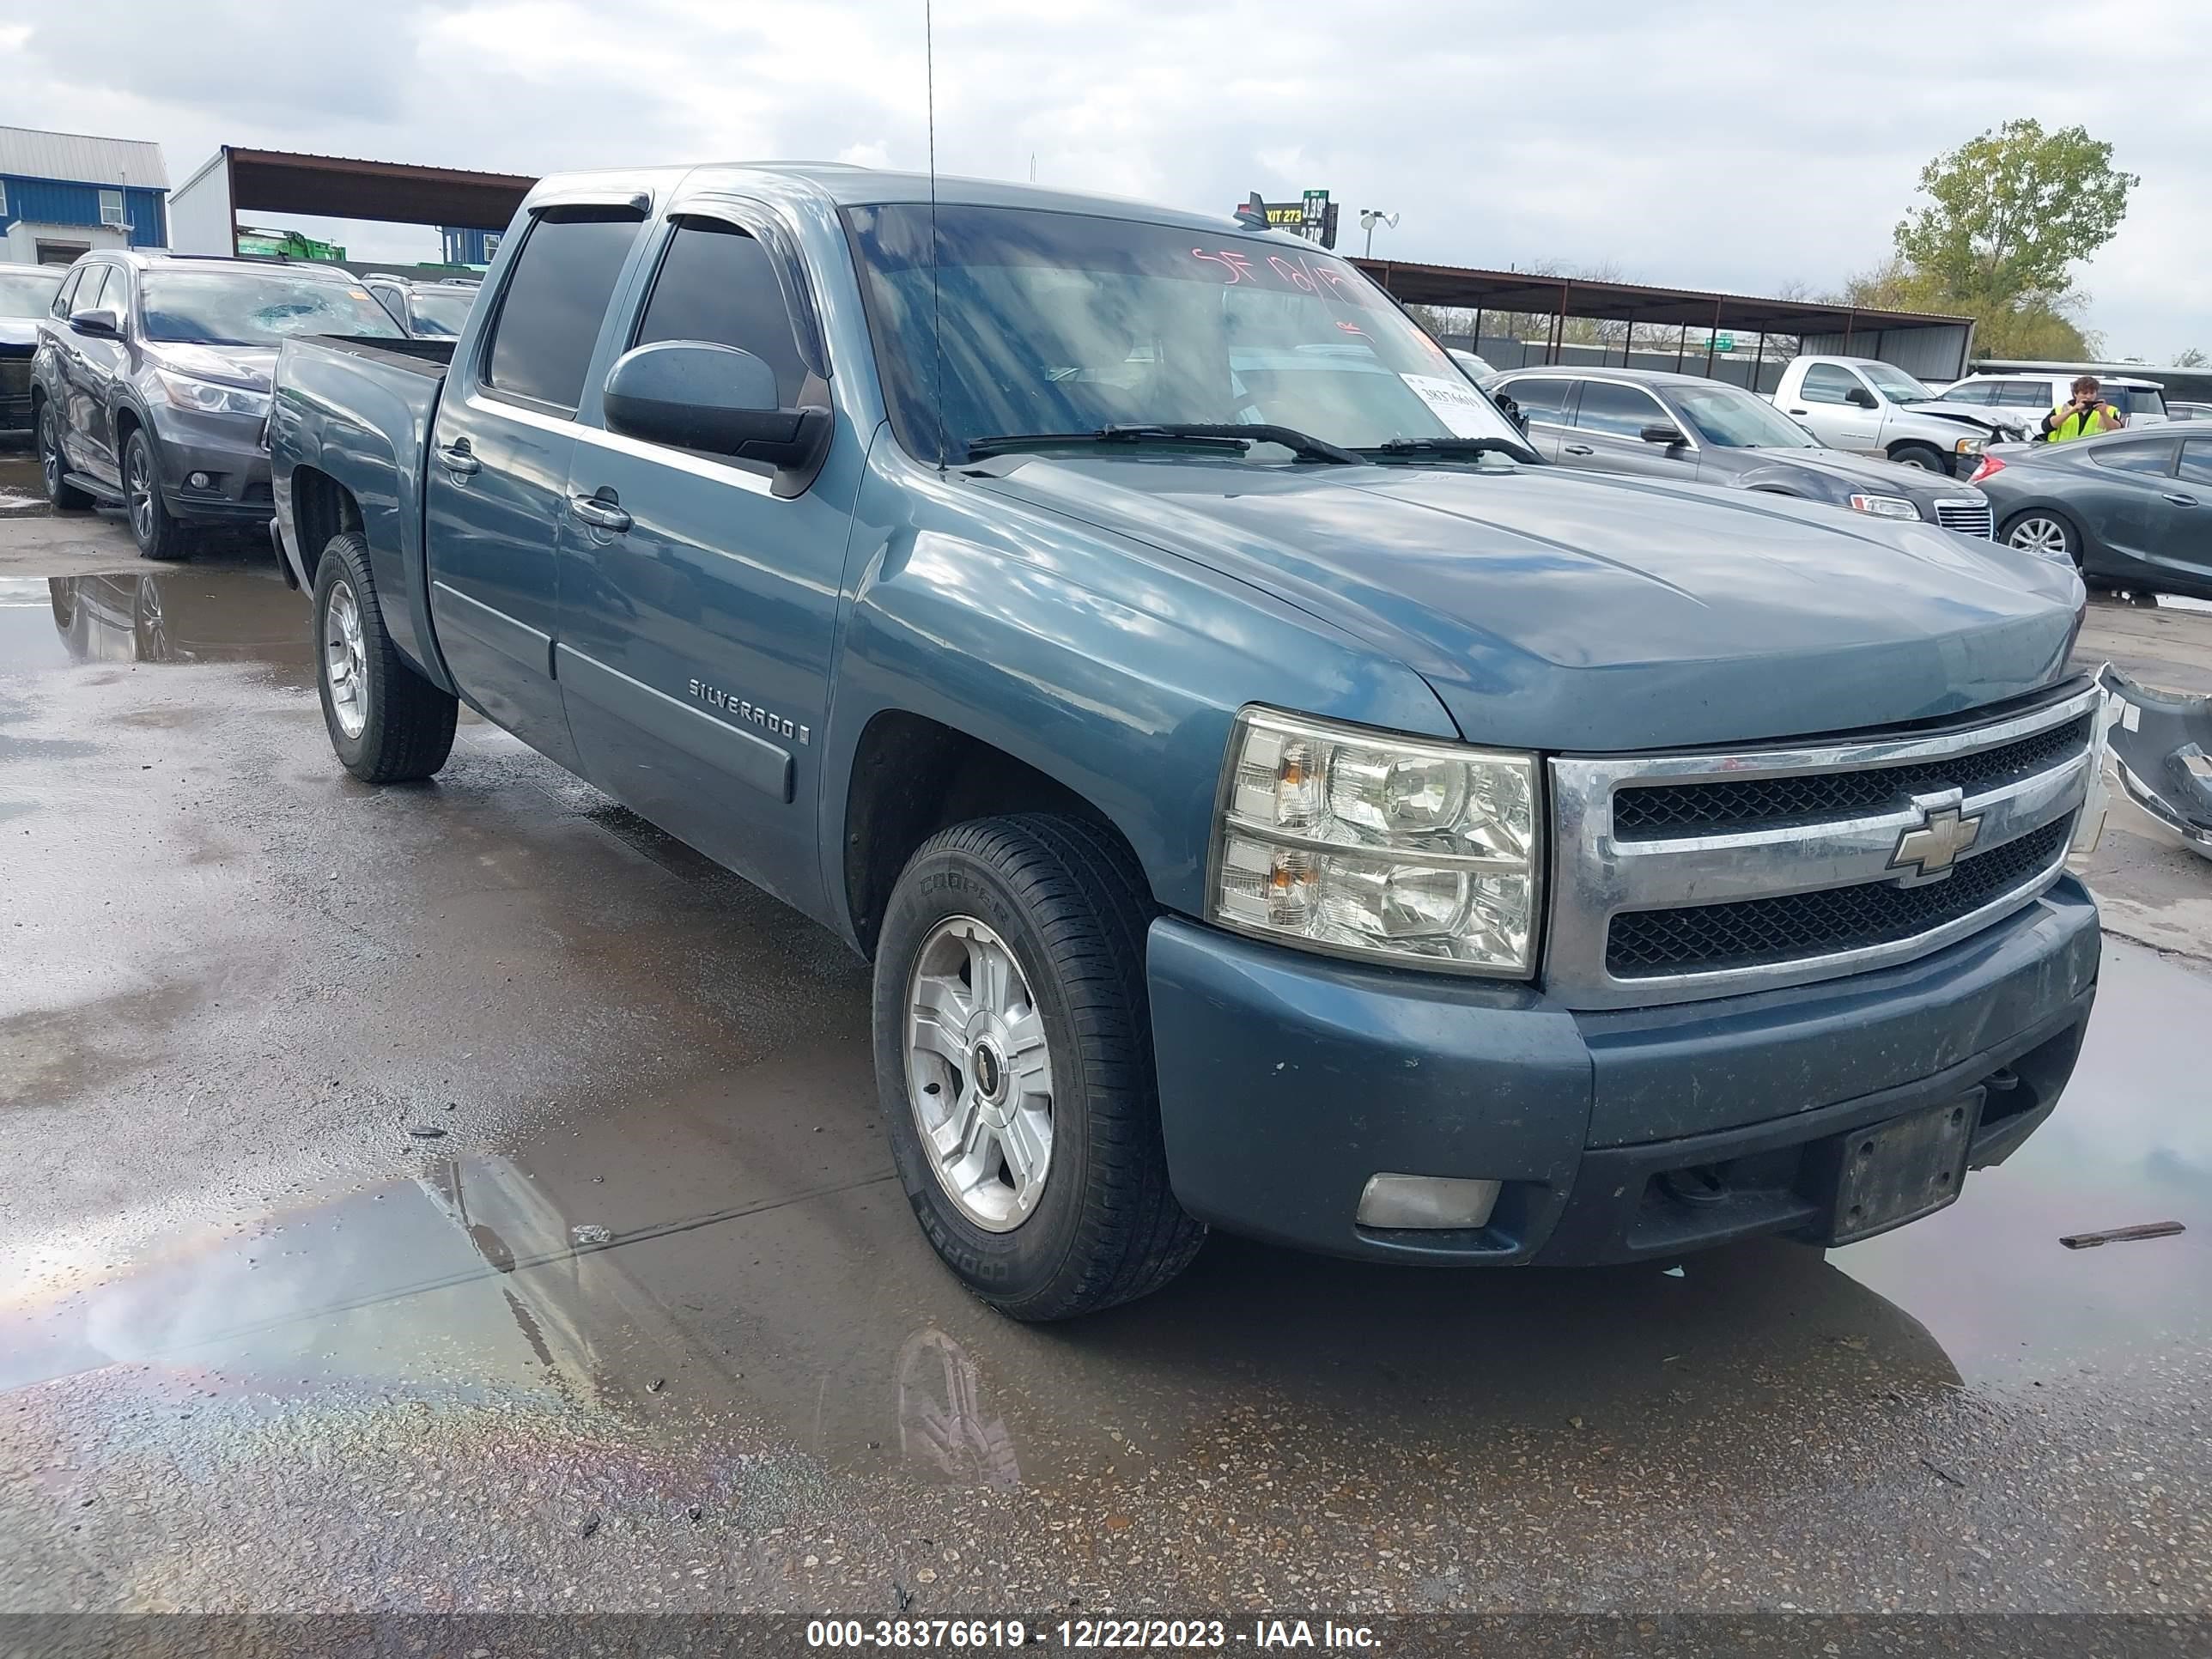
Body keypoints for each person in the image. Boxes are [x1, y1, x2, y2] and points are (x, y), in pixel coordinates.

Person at [2042, 375, 2126, 442]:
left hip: (2090, 455)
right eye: (2084, 393)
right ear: (2075, 394)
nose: (2088, 396)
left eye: (2092, 393)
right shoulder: (2062, 409)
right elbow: (2047, 427)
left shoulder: (2108, 410)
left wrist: (2104, 414)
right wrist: (2071, 412)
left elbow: (2117, 432)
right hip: (2062, 454)